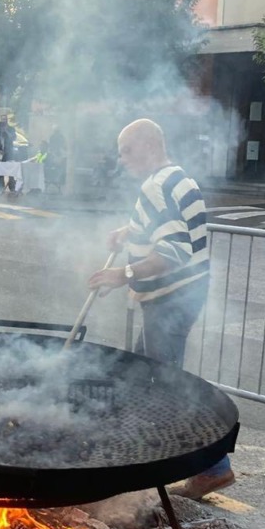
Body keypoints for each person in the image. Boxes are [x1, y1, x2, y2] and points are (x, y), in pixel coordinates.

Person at [88, 118, 234, 500]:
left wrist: (124, 272)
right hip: (184, 295)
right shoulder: (176, 178)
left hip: (171, 298)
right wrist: (129, 231)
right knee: (139, 369)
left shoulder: (155, 186)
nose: (122, 160)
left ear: (149, 146)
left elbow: (172, 251)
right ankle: (127, 450)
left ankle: (214, 467)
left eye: (126, 151)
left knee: (168, 386)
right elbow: (166, 225)